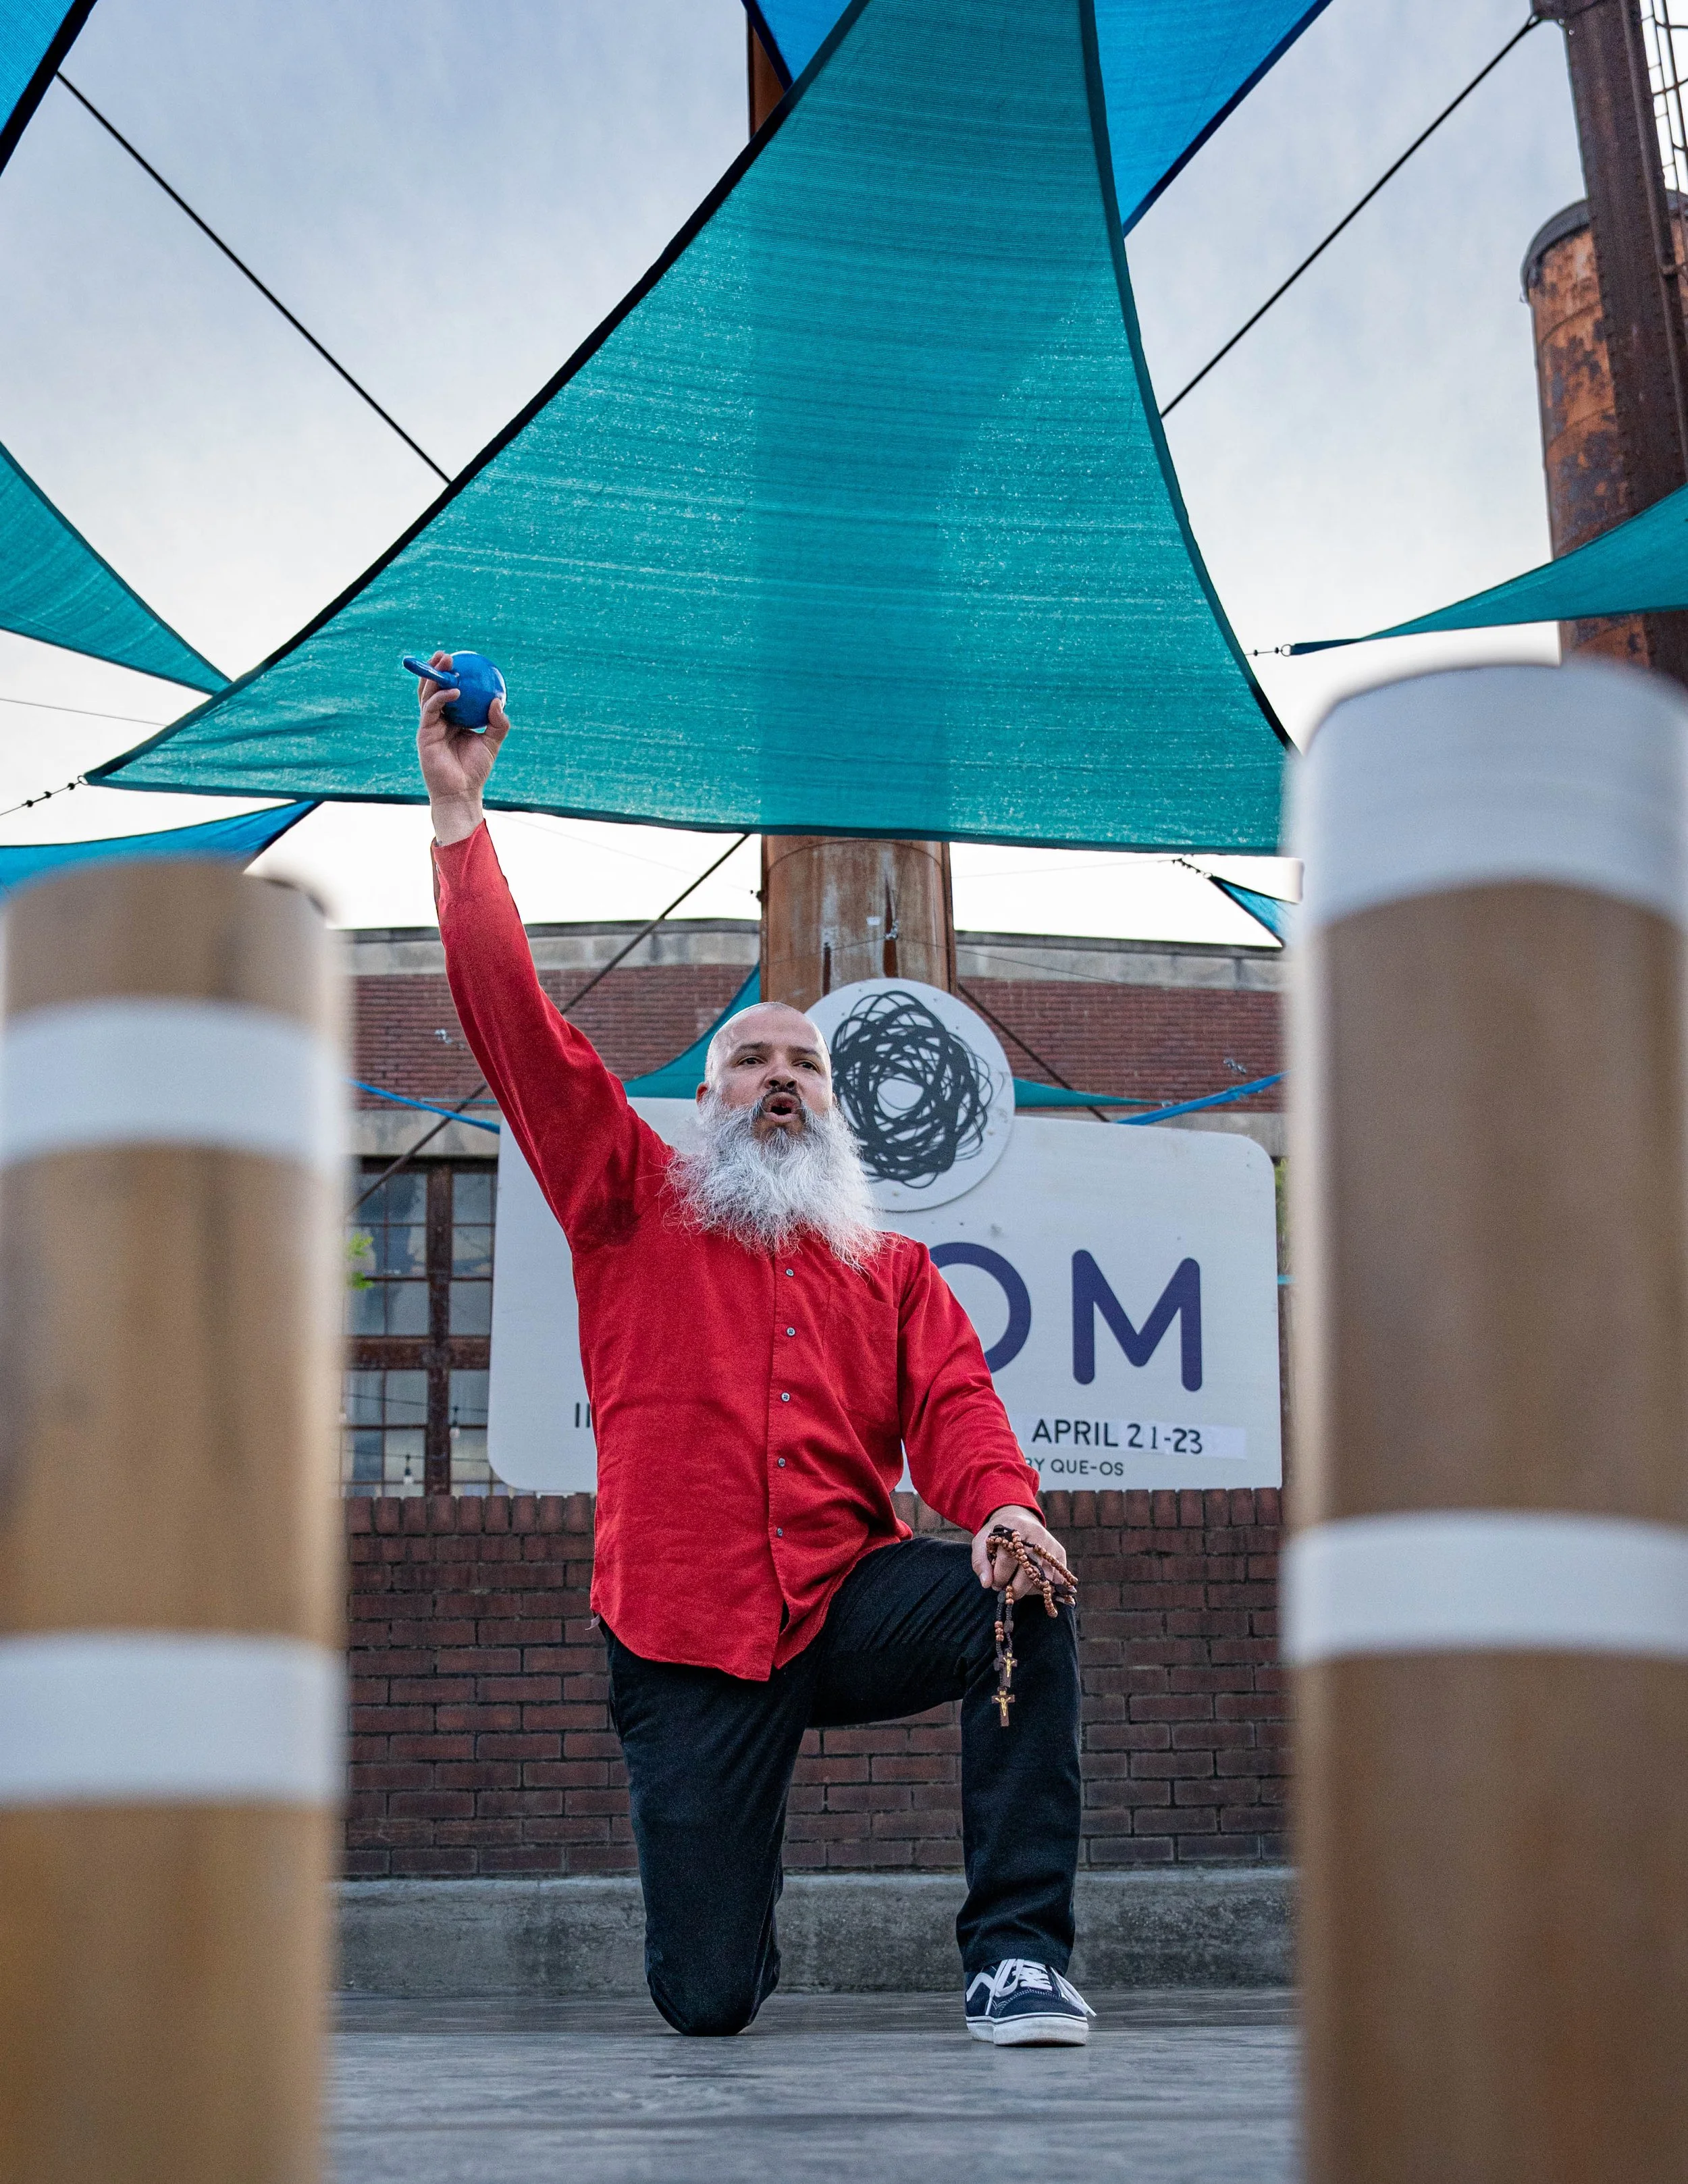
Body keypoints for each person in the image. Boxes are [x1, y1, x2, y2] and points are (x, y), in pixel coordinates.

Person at [417, 656, 1090, 2045]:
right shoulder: (626, 1201)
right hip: (682, 1633)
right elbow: (522, 1037)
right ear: (708, 1098)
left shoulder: (889, 1267)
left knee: (1018, 1592)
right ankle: (731, 1920)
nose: (780, 1076)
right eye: (752, 1061)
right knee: (705, 2001)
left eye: (806, 1065)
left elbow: (956, 1408)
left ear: (837, 1107)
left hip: (841, 1600)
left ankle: (1016, 1954)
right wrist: (457, 823)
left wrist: (1005, 1506)